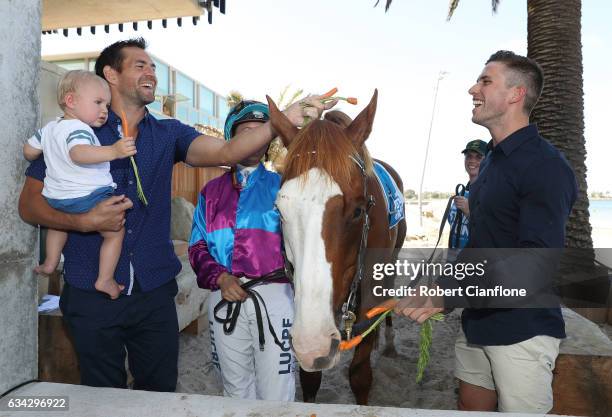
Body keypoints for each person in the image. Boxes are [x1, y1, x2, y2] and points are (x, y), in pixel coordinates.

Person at [18, 37, 334, 391]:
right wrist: (84, 222)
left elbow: (230, 149)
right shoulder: (73, 130)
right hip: (90, 292)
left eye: (153, 66)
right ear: (110, 74)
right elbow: (29, 205)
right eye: (140, 65)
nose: (151, 72)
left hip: (154, 295)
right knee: (101, 396)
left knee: (160, 395)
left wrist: (283, 121)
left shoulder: (169, 134)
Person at [395, 50, 577, 413]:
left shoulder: (546, 166)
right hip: (477, 322)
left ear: (515, 94)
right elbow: (481, 246)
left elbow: (536, 265)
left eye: (485, 81)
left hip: (522, 332)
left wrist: (447, 296)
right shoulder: (492, 161)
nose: (472, 89)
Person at [189, 100, 295, 401]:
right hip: (223, 296)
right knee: (235, 389)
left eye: (262, 131)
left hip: (275, 298)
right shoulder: (210, 193)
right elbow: (197, 246)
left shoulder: (284, 187)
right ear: (231, 137)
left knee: (277, 390)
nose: (255, 137)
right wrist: (221, 278)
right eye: (247, 130)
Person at [23, 70, 135, 299]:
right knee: (116, 231)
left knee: (58, 225)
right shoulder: (79, 129)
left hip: (56, 197)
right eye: (98, 102)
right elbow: (78, 153)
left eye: (106, 104)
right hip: (87, 196)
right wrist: (113, 151)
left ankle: (50, 262)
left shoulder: (50, 128)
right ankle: (105, 279)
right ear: (71, 101)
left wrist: (44, 152)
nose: (104, 110)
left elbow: (29, 150)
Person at [447, 139, 487, 249]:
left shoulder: (491, 194)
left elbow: (494, 232)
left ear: (487, 160)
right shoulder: (461, 193)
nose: (472, 160)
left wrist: (469, 212)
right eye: (469, 156)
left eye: (478, 157)